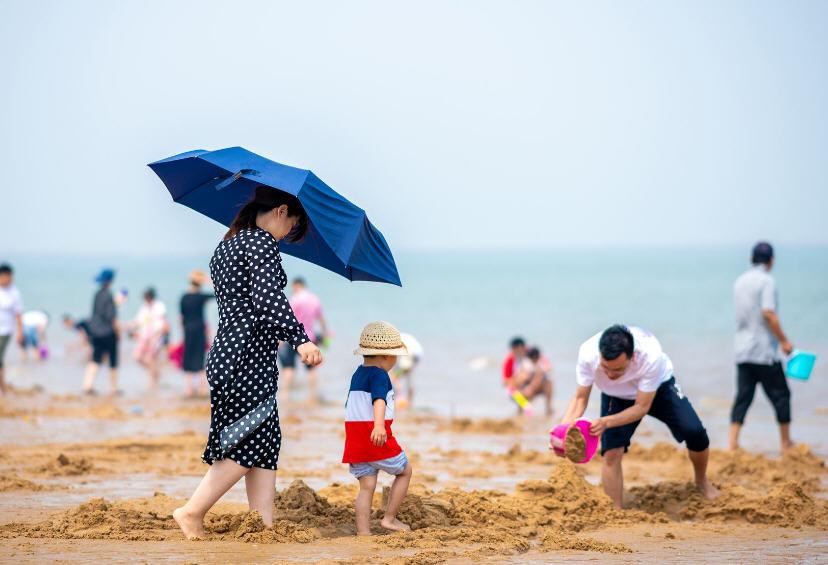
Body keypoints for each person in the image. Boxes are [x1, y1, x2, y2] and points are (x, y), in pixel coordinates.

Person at [173, 186, 322, 540]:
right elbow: (267, 297)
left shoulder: (226, 245)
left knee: (265, 441)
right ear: (282, 211)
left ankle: (263, 523)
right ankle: (191, 511)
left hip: (231, 352)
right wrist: (300, 339)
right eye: (291, 227)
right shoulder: (260, 242)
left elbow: (250, 300)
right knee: (247, 440)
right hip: (246, 356)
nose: (286, 236)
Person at [551, 325, 718, 508]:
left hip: (658, 388)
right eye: (605, 368)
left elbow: (641, 407)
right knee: (612, 452)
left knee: (694, 432)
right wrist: (562, 432)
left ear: (633, 357)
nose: (610, 374)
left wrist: (606, 422)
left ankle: (701, 481)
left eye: (618, 369)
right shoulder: (587, 353)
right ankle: (615, 509)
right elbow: (580, 398)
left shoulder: (650, 354)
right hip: (615, 395)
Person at [343, 321, 413, 535]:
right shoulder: (380, 375)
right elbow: (379, 400)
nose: (396, 361)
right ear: (385, 356)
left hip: (355, 441)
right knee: (405, 471)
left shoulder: (358, 373)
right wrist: (379, 426)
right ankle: (389, 519)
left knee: (366, 487)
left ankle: (363, 533)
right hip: (374, 436)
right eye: (395, 356)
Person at [730, 242, 794, 452]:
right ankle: (785, 443)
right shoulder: (767, 281)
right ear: (771, 260)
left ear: (752, 258)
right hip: (764, 350)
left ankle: (733, 443)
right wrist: (784, 341)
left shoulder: (739, 281)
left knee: (743, 397)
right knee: (781, 395)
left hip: (742, 348)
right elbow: (768, 313)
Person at [278, 277, 328, 404]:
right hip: (309, 338)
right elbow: (321, 319)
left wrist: (279, 338)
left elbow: (285, 319)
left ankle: (285, 396)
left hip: (291, 338)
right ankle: (312, 396)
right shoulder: (314, 299)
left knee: (288, 368)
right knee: (311, 368)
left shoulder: (294, 299)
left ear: (296, 286)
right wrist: (325, 334)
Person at [82, 268, 120, 395]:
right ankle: (113, 388)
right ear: (111, 281)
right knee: (113, 360)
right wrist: (118, 332)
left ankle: (87, 385)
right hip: (108, 333)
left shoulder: (97, 294)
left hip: (96, 332)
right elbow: (111, 317)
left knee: (95, 359)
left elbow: (95, 314)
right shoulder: (109, 296)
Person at [180, 270, 215, 397]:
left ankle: (188, 389)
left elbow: (181, 318)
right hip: (200, 330)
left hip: (188, 331)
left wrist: (183, 333)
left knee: (188, 359)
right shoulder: (201, 297)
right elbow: (220, 291)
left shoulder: (184, 297)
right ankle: (202, 389)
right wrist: (208, 281)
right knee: (200, 358)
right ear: (199, 283)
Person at [130, 287, 169, 389]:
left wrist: (158, 335)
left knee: (151, 359)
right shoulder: (144, 307)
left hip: (156, 336)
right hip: (144, 336)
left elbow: (164, 323)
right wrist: (127, 327)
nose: (146, 298)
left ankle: (152, 383)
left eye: (147, 296)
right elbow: (138, 322)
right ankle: (156, 373)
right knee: (137, 357)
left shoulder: (159, 306)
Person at [0, 263, 24, 395]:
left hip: (5, 331)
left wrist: (20, 332)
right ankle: (3, 388)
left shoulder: (14, 292)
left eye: (10, 277)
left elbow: (18, 314)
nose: (8, 280)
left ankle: (3, 389)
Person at [514, 346, 554, 415]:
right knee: (518, 393)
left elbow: (544, 372)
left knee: (548, 383)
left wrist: (530, 388)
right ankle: (521, 409)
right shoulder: (526, 364)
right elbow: (520, 378)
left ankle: (548, 408)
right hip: (526, 386)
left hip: (538, 386)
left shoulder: (541, 364)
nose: (534, 360)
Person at [391, 332, 423, 409]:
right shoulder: (401, 337)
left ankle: (399, 400)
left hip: (410, 354)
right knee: (409, 378)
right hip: (418, 354)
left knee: (394, 375)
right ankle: (409, 404)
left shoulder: (393, 342)